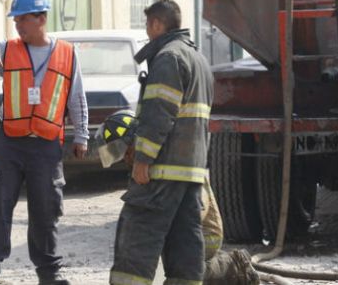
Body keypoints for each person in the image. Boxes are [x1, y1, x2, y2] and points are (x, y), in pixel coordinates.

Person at [0, 0, 89, 285]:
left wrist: (81, 136)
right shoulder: (7, 49)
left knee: (45, 209)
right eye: (15, 21)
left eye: (22, 20)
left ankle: (49, 273)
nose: (17, 26)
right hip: (11, 142)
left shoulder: (66, 54)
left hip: (46, 145)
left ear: (41, 18)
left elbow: (77, 98)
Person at [109, 0, 215, 285]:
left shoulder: (169, 57)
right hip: (190, 171)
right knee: (185, 243)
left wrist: (143, 159)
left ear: (157, 24)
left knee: (138, 235)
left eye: (147, 24)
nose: (147, 30)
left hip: (162, 169)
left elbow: (160, 113)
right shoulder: (199, 59)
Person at [96, 111, 259, 285]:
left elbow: (197, 208)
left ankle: (233, 266)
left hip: (202, 233)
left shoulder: (172, 157)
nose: (127, 158)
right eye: (122, 156)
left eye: (127, 151)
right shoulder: (144, 165)